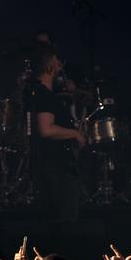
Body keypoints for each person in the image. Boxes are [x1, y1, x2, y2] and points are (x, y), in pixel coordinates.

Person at [25, 43, 85, 221]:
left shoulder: (37, 93)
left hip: (49, 168)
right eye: (57, 62)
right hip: (56, 170)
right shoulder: (43, 95)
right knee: (65, 223)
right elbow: (46, 129)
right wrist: (75, 134)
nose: (60, 65)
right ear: (50, 66)